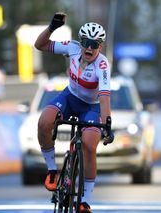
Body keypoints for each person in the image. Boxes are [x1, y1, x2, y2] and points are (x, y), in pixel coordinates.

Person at [34, 13, 114, 213]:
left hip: (91, 106)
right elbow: (40, 45)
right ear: (80, 42)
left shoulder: (102, 65)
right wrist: (52, 27)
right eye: (86, 42)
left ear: (100, 46)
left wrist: (107, 124)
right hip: (69, 97)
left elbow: (104, 97)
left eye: (94, 44)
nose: (89, 47)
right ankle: (52, 170)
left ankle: (85, 200)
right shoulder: (72, 47)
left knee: (88, 145)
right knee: (44, 122)